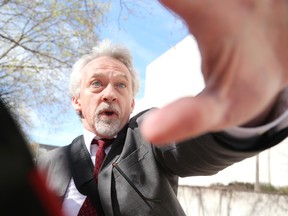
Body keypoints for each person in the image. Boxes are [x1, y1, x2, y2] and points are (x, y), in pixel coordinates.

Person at [37, 0, 288, 215]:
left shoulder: (147, 134)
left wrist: (245, 107)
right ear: (76, 100)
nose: (110, 94)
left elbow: (193, 144)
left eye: (121, 85)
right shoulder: (46, 163)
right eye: (96, 84)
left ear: (132, 103)